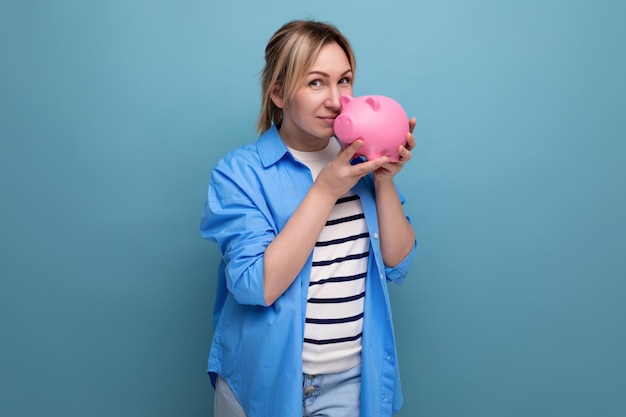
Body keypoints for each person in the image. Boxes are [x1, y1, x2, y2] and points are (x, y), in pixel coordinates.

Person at [200, 19, 417, 417]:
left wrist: (383, 178)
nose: (336, 100)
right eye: (316, 82)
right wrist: (325, 189)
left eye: (345, 81)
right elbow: (257, 286)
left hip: (351, 383)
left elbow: (397, 261)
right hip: (262, 381)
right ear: (279, 93)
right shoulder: (240, 174)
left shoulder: (360, 162)